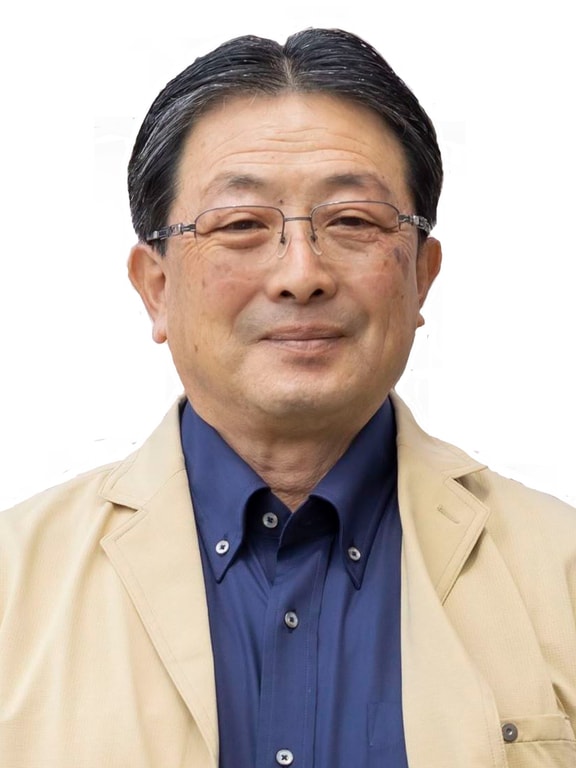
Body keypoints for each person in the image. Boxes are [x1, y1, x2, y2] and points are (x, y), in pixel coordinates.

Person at [1, 27, 575, 768]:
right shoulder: (14, 585)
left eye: (353, 222)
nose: (302, 274)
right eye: (241, 225)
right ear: (157, 287)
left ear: (421, 276)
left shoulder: (560, 571)